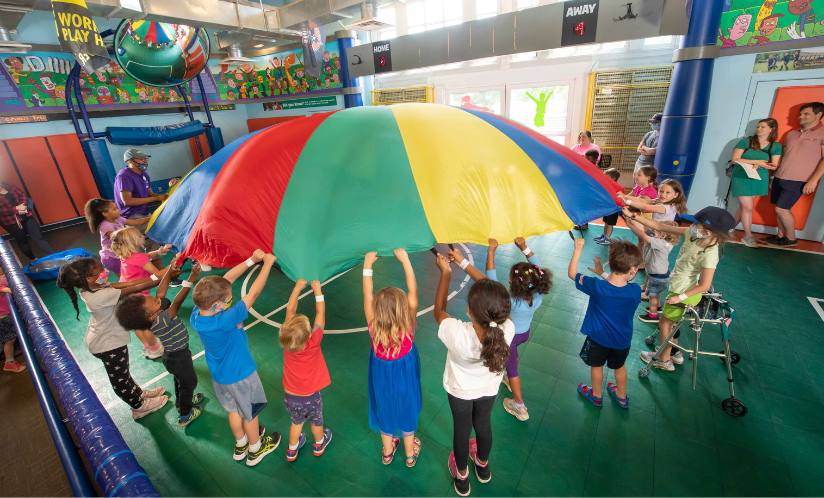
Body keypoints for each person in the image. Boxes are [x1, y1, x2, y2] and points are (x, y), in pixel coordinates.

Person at [190, 249, 281, 467]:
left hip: (220, 375)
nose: (231, 300)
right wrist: (266, 264)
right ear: (218, 305)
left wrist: (251, 259)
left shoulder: (198, 314)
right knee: (250, 414)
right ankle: (255, 448)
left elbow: (224, 281)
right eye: (229, 299)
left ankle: (241, 443)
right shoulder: (226, 319)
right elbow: (253, 294)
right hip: (241, 374)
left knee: (233, 410)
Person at [434, 255, 514, 497]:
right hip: (488, 390)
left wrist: (447, 273)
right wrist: (464, 264)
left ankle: (462, 478)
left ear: (468, 311)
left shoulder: (457, 332)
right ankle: (482, 465)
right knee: (483, 425)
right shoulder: (506, 329)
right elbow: (500, 297)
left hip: (459, 391)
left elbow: (439, 311)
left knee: (462, 430)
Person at [447, 237, 550, 422]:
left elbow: (487, 280)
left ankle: (519, 406)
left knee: (512, 369)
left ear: (511, 283)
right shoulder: (538, 295)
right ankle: (510, 374)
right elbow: (537, 268)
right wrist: (525, 248)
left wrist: (490, 252)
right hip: (523, 334)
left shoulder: (511, 302)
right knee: (514, 353)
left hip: (510, 338)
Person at [56, 258, 172, 419]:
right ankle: (138, 407)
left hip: (105, 338)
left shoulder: (93, 287)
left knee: (124, 372)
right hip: (107, 344)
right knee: (120, 379)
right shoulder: (101, 295)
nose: (105, 271)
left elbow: (129, 284)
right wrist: (166, 275)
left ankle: (138, 394)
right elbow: (138, 287)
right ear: (88, 278)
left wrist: (158, 277)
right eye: (100, 270)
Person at [628, 207, 735, 371]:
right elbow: (660, 226)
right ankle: (675, 353)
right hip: (678, 288)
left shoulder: (709, 255)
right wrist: (633, 216)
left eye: (696, 224)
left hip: (684, 293)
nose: (692, 225)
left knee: (664, 323)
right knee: (672, 324)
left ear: (709, 232)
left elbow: (704, 286)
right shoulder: (691, 235)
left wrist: (680, 297)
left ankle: (664, 359)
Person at [115, 263, 205, 427]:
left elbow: (161, 292)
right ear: (153, 314)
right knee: (189, 382)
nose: (159, 300)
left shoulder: (153, 318)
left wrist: (168, 272)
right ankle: (185, 414)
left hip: (172, 356)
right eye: (157, 302)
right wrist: (190, 281)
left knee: (180, 380)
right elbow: (177, 302)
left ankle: (181, 401)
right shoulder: (162, 320)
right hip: (179, 356)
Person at [362, 249, 422, 467]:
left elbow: (368, 295)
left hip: (382, 376)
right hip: (404, 374)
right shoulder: (408, 324)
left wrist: (367, 265)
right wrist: (405, 261)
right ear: (404, 308)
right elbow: (413, 290)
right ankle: (409, 454)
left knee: (384, 408)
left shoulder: (373, 325)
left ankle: (387, 452)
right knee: (406, 409)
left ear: (377, 311)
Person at [568, 238, 642, 409]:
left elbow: (572, 274)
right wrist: (603, 274)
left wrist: (578, 250)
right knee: (620, 366)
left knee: (596, 366)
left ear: (610, 264)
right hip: (622, 341)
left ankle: (596, 395)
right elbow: (619, 286)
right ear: (633, 270)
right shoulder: (635, 290)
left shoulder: (596, 286)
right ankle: (622, 397)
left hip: (597, 339)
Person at [280, 278, 332, 462]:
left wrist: (297, 287)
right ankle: (319, 443)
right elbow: (321, 312)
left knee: (296, 423)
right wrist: (317, 290)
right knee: (317, 423)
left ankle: (292, 449)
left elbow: (290, 311)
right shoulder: (314, 341)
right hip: (311, 397)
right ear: (310, 333)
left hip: (291, 397)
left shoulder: (287, 342)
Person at [764, 102, 824, 247]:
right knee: (778, 208)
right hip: (780, 176)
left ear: (819, 114)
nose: (801, 117)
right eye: (800, 114)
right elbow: (783, 158)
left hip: (799, 179)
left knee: (782, 209)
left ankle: (791, 239)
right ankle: (780, 236)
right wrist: (773, 177)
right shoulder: (792, 133)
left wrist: (813, 181)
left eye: (806, 114)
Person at [729, 119, 782, 248]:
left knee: (743, 207)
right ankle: (748, 236)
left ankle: (730, 230)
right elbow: (735, 160)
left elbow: (774, 165)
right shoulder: (745, 141)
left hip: (759, 178)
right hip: (741, 177)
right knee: (748, 207)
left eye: (763, 127)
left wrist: (764, 165)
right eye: (758, 127)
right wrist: (757, 162)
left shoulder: (776, 146)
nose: (758, 129)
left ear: (772, 129)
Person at [113, 149, 167, 269]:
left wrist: (165, 196)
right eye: (141, 158)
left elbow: (150, 194)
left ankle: (159, 273)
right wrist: (155, 199)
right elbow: (127, 201)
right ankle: (161, 275)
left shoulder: (143, 174)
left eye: (145, 158)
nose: (145, 160)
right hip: (131, 214)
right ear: (130, 160)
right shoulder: (124, 176)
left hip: (143, 212)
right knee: (150, 242)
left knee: (154, 239)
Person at [624, 220, 679, 322]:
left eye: (657, 230)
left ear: (663, 235)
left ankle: (653, 315)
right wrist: (632, 219)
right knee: (656, 292)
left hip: (657, 276)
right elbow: (646, 229)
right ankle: (657, 307)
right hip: (660, 275)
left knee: (652, 295)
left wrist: (629, 225)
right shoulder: (660, 239)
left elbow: (643, 235)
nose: (653, 230)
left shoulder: (661, 243)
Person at [84, 198, 150, 275]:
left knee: (133, 275)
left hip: (121, 255)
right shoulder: (105, 225)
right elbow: (119, 238)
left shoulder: (118, 219)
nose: (118, 210)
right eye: (115, 209)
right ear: (105, 213)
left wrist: (153, 217)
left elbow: (137, 222)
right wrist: (137, 238)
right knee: (126, 278)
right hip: (112, 258)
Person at [0, 183, 55, 261]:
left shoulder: (7, 186)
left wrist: (23, 206)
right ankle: (34, 259)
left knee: (38, 237)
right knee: (22, 241)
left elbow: (22, 194)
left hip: (26, 214)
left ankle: (55, 255)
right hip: (11, 221)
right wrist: (16, 209)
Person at [0, 271, 25, 373]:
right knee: (10, 340)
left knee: (12, 339)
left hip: (7, 315)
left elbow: (4, 277)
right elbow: (9, 290)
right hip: (4, 317)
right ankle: (9, 362)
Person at [594, 168, 624, 246]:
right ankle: (604, 235)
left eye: (606, 177)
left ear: (613, 178)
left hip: (613, 209)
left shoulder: (616, 188)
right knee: (606, 222)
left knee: (610, 224)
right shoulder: (607, 186)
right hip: (607, 208)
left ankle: (608, 238)